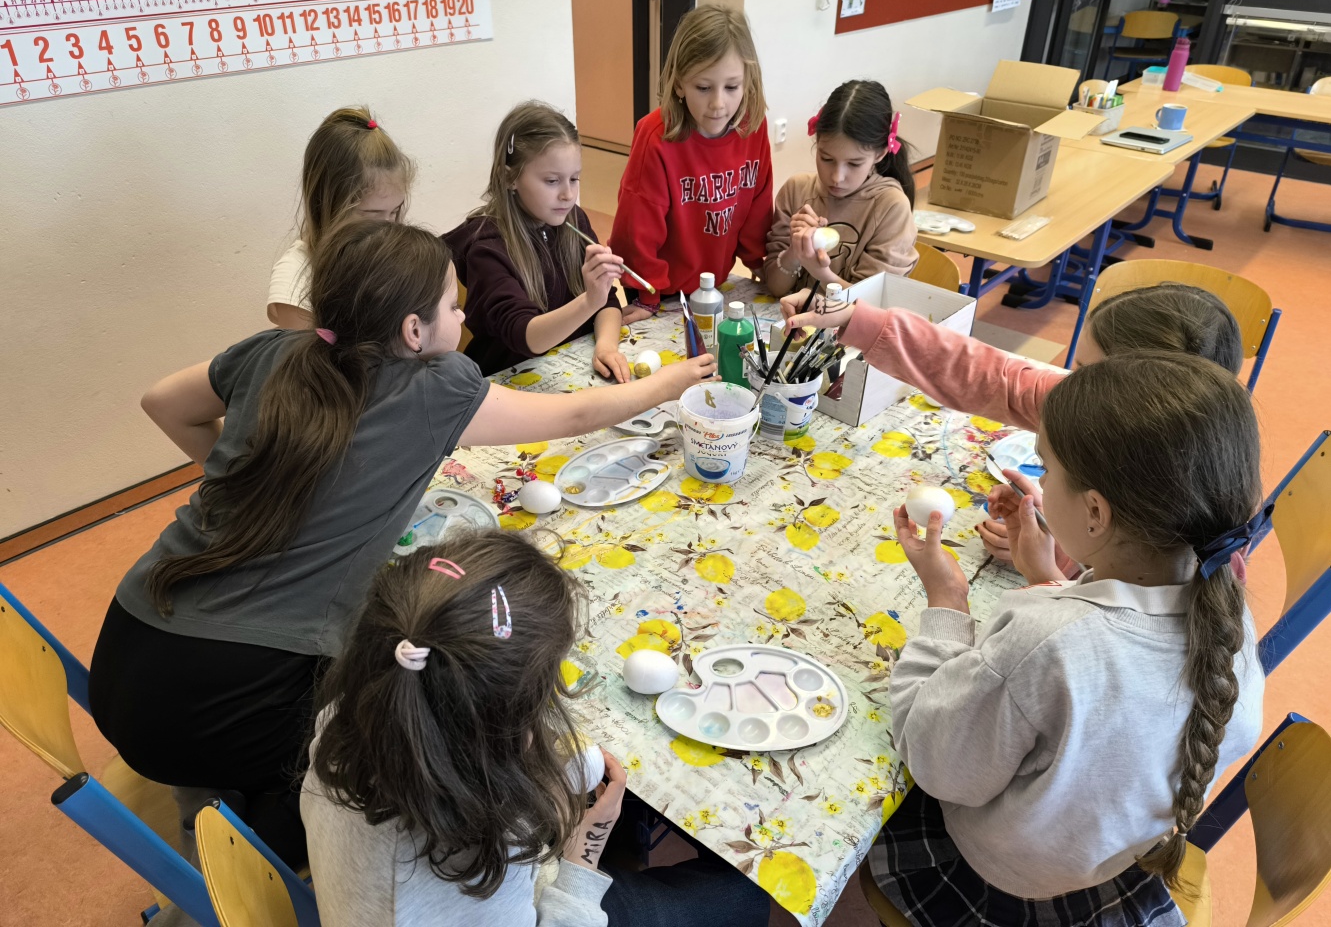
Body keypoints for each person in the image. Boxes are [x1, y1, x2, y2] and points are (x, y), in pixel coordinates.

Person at [89, 220, 715, 871]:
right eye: (452, 304)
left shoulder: (273, 350)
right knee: (412, 743)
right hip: (221, 705)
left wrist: (252, 479)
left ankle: (222, 795)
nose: (463, 315)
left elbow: (162, 402)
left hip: (125, 653)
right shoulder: (434, 386)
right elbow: (577, 415)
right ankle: (244, 855)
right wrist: (671, 383)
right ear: (414, 331)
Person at [872, 351, 1266, 926]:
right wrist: (1046, 576)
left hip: (997, 882)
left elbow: (935, 761)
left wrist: (947, 601)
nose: (1039, 484)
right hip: (1101, 859)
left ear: (1096, 512)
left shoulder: (1045, 640)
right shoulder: (1229, 618)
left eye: (1045, 470)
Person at [303, 533, 771, 927]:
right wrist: (585, 851)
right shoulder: (475, 858)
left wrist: (537, 784)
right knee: (744, 894)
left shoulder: (344, 719)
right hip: (533, 901)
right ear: (502, 721)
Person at [781, 282, 1246, 575]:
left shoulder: (1175, 545)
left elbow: (1108, 597)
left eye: (1085, 372)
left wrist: (1057, 559)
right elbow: (988, 374)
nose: (1069, 384)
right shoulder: (1108, 412)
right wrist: (855, 319)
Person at [610, 5, 773, 321]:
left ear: (748, 81)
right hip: (656, 288)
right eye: (703, 88)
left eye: (732, 87)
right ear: (679, 84)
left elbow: (759, 202)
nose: (718, 103)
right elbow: (635, 228)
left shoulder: (753, 127)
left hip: (712, 282)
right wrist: (647, 295)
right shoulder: (656, 136)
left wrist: (757, 262)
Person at [445, 102, 629, 380]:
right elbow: (526, 337)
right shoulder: (486, 248)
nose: (568, 195)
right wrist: (590, 301)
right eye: (552, 181)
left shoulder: (573, 221)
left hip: (569, 371)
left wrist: (606, 345)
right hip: (508, 382)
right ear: (510, 177)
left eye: (574, 179)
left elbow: (607, 301)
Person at [764, 79, 917, 297]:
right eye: (826, 159)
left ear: (880, 154)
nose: (837, 177)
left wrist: (821, 273)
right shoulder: (796, 190)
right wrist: (795, 251)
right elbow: (775, 287)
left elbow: (873, 304)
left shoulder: (891, 206)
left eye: (854, 164)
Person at [267, 106, 413, 329]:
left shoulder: (389, 256)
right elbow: (304, 352)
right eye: (371, 214)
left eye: (394, 212)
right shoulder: (295, 276)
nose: (388, 227)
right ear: (327, 205)